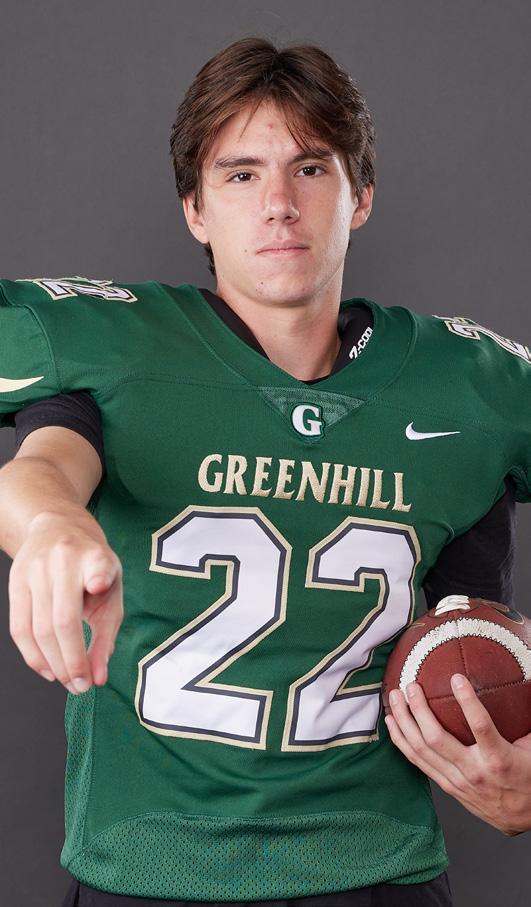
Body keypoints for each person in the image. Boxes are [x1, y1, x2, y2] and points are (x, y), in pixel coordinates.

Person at [0, 36, 530, 907]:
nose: (278, 204)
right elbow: (42, 468)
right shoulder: (120, 350)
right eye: (240, 174)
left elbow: (475, 631)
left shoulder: (473, 389)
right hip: (148, 874)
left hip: (377, 873)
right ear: (195, 210)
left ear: (360, 194)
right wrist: (51, 527)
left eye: (310, 169)